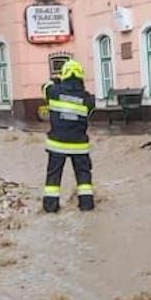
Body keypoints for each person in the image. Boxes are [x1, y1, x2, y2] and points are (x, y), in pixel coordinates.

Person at [41, 60, 96, 212]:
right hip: (79, 146)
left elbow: (44, 87)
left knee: (53, 178)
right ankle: (86, 206)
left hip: (57, 145)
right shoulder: (88, 99)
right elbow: (90, 112)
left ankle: (50, 208)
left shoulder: (54, 92)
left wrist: (55, 81)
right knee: (84, 178)